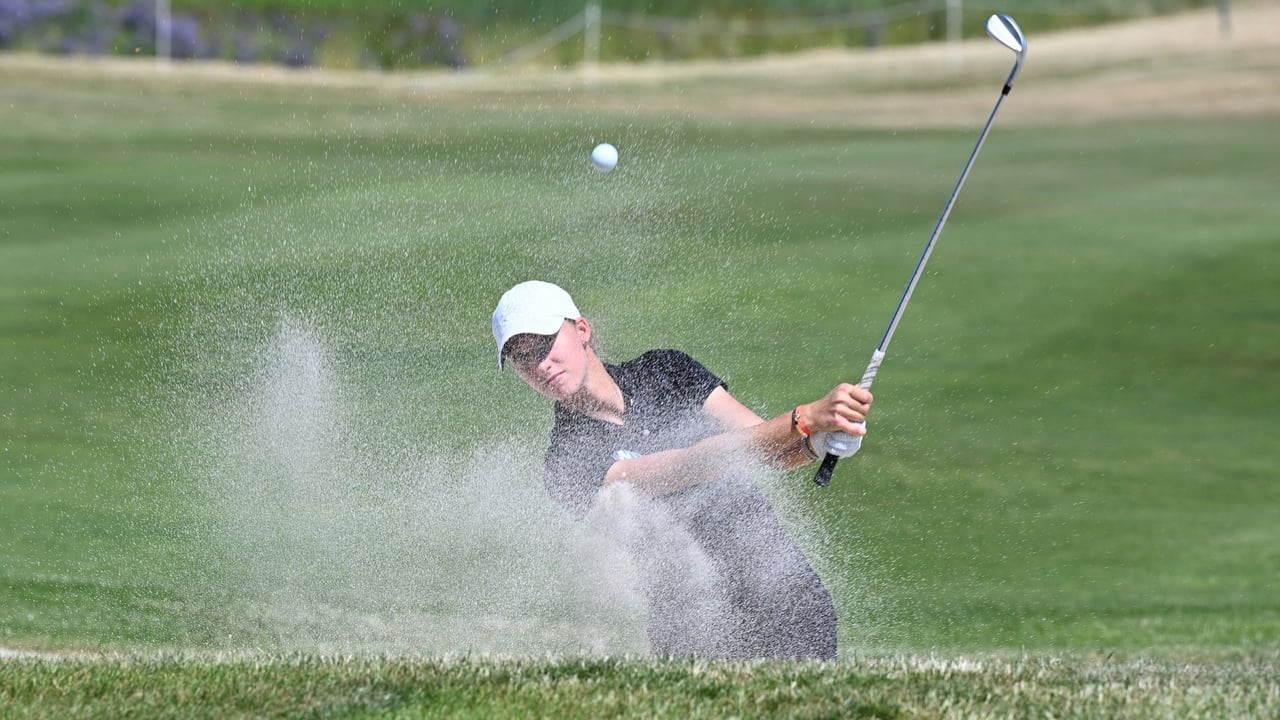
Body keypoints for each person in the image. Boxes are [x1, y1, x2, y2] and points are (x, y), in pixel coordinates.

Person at [492, 280, 873, 659]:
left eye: (545, 343)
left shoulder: (666, 370)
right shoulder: (564, 462)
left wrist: (816, 443)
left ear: (581, 330)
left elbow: (765, 449)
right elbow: (689, 465)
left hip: (786, 594)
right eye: (522, 359)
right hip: (694, 626)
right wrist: (805, 419)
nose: (540, 364)